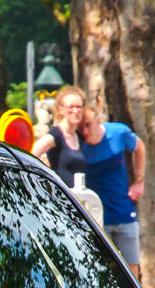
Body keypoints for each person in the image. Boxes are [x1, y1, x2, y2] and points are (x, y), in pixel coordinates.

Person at [46, 87, 146, 277]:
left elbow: (140, 147)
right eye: (81, 127)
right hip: (97, 218)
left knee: (132, 271)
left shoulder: (118, 133)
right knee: (101, 272)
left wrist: (139, 180)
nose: (85, 131)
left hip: (124, 213)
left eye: (88, 125)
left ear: (99, 121)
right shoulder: (78, 147)